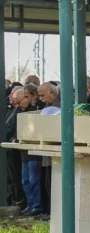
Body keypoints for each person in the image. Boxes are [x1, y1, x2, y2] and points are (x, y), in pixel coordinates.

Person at [16, 88, 44, 217]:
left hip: (33, 152)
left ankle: (37, 206)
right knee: (25, 181)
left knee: (34, 180)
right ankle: (30, 204)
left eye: (26, 97)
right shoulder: (21, 111)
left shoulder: (38, 109)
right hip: (24, 152)